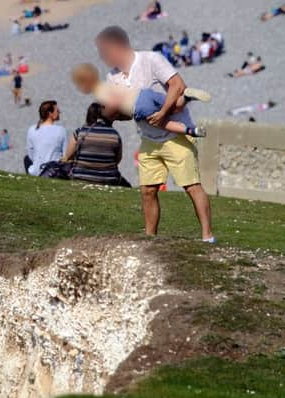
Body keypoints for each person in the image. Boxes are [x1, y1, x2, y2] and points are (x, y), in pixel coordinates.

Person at [95, 25, 214, 242]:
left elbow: (178, 84)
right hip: (149, 138)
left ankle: (207, 236)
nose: (103, 56)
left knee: (191, 186)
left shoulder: (151, 59)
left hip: (175, 135)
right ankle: (150, 239)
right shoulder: (112, 77)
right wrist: (114, 114)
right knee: (147, 191)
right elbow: (127, 112)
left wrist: (162, 113)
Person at [72, 63, 209, 138]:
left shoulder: (101, 95)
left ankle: (191, 131)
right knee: (173, 105)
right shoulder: (111, 82)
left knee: (160, 122)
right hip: (144, 93)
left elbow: (120, 110)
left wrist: (115, 118)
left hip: (138, 107)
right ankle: (186, 96)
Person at [63, 103, 131, 187]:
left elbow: (68, 156)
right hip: (108, 179)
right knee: (127, 186)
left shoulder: (80, 132)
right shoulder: (114, 134)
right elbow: (117, 160)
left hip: (80, 177)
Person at [24, 100, 67, 176]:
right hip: (54, 171)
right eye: (57, 110)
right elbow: (65, 155)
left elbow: (30, 154)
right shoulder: (61, 130)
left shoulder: (31, 129)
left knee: (26, 158)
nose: (60, 112)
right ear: (50, 113)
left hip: (36, 171)